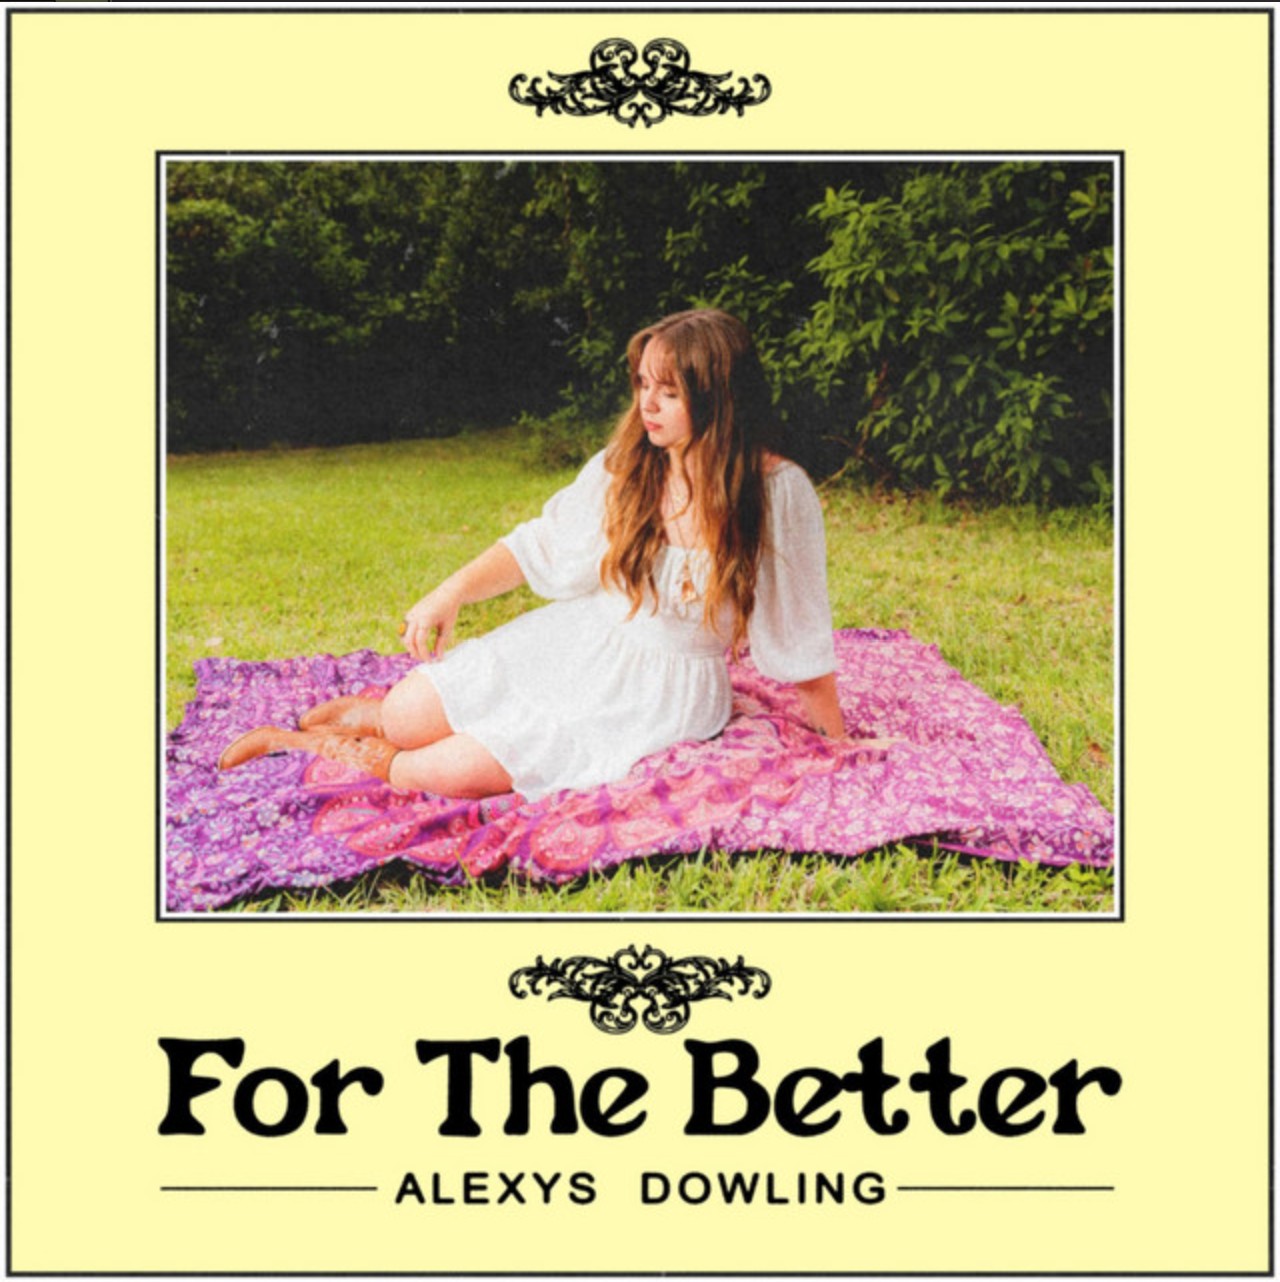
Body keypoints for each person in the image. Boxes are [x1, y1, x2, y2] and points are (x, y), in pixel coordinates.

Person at [219, 308, 858, 801]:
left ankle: (298, 743)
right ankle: (372, 716)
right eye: (642, 385)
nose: (647, 405)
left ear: (719, 395)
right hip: (583, 638)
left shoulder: (776, 492)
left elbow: (800, 632)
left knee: (442, 771)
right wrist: (450, 593)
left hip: (660, 689)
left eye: (669, 390)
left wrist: (836, 741)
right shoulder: (628, 464)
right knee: (409, 715)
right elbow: (542, 546)